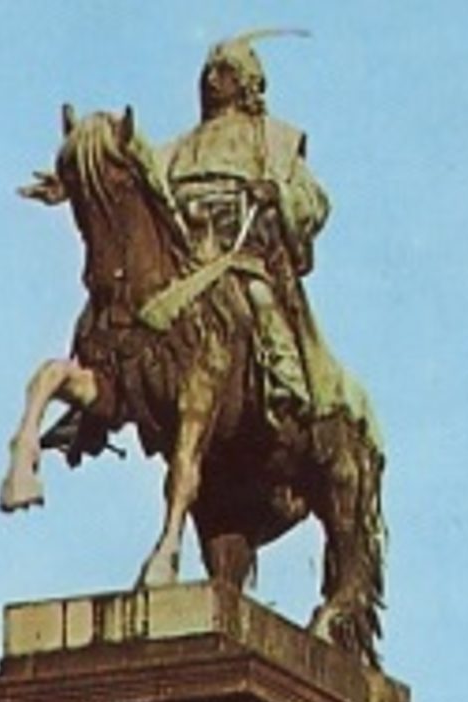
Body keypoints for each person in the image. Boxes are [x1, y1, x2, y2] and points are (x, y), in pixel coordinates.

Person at [161, 32, 375, 435]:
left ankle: (285, 379)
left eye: (223, 72)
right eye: (207, 73)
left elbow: (314, 200)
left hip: (243, 252)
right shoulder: (177, 147)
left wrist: (277, 193)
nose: (211, 81)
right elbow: (137, 177)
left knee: (259, 297)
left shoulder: (274, 138)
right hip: (185, 259)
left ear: (246, 81)